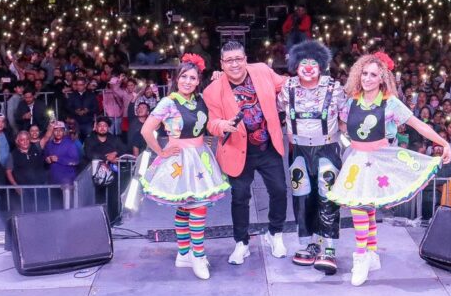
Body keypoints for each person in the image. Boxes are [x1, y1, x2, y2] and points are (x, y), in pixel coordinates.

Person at [326, 52, 451, 286]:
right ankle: (371, 253)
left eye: (373, 75)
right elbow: (343, 124)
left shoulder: (390, 102)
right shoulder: (351, 100)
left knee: (361, 206)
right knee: (364, 205)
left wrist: (443, 143)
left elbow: (418, 124)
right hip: (356, 159)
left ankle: (361, 255)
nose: (368, 78)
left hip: (379, 160)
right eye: (364, 73)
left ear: (382, 78)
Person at [141, 55, 228, 280]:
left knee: (188, 206)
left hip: (200, 156)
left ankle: (184, 254)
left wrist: (219, 77)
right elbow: (146, 130)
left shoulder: (200, 99)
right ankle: (197, 255)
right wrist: (161, 152)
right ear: (176, 78)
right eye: (184, 76)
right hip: (180, 158)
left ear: (199, 80)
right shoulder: (168, 102)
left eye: (193, 77)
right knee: (197, 206)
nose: (188, 81)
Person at [203, 41, 289, 266]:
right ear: (222, 64)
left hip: (268, 146)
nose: (234, 64)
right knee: (240, 198)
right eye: (229, 60)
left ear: (245, 58)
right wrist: (222, 124)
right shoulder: (212, 90)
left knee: (279, 190)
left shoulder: (261, 70)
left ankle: (275, 233)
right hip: (236, 149)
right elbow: (211, 123)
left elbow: (287, 85)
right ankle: (241, 243)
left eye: (238, 58)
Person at [277, 40, 346, 274]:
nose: (308, 67)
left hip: (327, 149)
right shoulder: (288, 88)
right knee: (302, 197)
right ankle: (310, 244)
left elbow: (346, 118)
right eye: (303, 63)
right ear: (296, 65)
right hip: (299, 152)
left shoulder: (334, 88)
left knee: (328, 197)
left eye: (313, 62)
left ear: (321, 65)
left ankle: (329, 249)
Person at [84, 116, 124, 223]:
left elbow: (123, 149)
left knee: (113, 196)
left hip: (112, 174)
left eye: (105, 126)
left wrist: (115, 153)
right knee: (98, 197)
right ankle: (98, 221)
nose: (102, 128)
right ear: (96, 128)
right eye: (100, 126)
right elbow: (89, 154)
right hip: (96, 174)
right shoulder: (89, 139)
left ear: (108, 128)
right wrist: (106, 158)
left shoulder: (114, 139)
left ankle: (115, 219)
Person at [6, 130, 51, 212]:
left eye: (27, 139)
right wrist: (15, 185)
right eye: (22, 140)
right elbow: (8, 171)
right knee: (27, 211)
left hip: (40, 187)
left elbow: (46, 138)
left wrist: (51, 126)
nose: (25, 142)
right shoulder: (13, 155)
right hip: (24, 190)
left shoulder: (36, 148)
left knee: (43, 210)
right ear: (17, 141)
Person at [43, 121, 80, 186]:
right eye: (56, 130)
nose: (58, 133)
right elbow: (45, 157)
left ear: (64, 132)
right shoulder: (49, 144)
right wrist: (47, 159)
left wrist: (58, 159)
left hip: (67, 182)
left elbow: (75, 161)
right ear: (52, 132)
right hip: (53, 181)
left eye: (61, 130)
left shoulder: (70, 144)